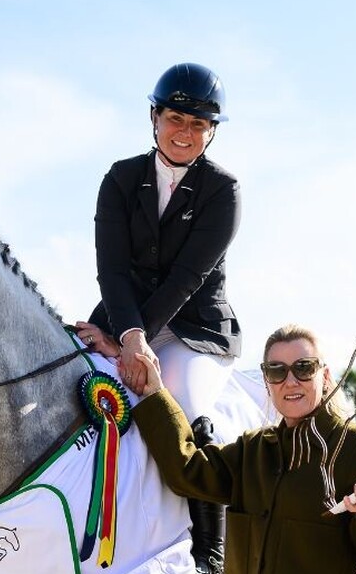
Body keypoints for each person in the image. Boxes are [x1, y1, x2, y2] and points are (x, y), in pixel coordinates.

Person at [74, 62, 241, 570]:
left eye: (199, 124)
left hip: (194, 327)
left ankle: (208, 551)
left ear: (211, 131)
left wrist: (132, 343)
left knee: (187, 404)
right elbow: (111, 269)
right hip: (120, 317)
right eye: (176, 118)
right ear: (154, 117)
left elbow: (186, 279)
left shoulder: (223, 191)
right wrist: (124, 335)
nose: (185, 133)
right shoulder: (121, 178)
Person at [123, 324, 356, 573]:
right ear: (266, 382)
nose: (290, 381)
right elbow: (187, 471)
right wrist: (155, 395)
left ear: (324, 377)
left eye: (304, 368)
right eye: (276, 371)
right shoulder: (252, 450)